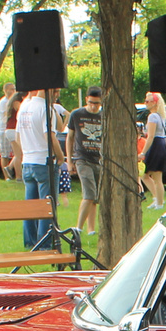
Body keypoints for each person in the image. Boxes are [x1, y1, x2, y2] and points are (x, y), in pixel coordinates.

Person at [18, 88, 55, 248]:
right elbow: (50, 136)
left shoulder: (24, 106)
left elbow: (18, 135)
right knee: (45, 206)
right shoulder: (45, 108)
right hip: (42, 159)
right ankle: (44, 243)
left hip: (27, 160)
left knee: (30, 206)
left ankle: (30, 241)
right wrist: (60, 156)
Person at [64, 86, 104, 236]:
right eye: (92, 102)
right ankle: (78, 228)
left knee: (95, 197)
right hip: (82, 158)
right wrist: (69, 161)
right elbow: (70, 138)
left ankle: (91, 229)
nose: (94, 106)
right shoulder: (77, 114)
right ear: (86, 99)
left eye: (97, 103)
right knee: (89, 194)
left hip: (99, 160)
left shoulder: (103, 115)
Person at [140, 92, 166, 210]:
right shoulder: (160, 116)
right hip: (161, 144)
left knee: (156, 177)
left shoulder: (152, 116)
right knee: (146, 175)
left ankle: (160, 203)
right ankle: (157, 199)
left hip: (156, 144)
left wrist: (143, 152)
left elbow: (150, 136)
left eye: (148, 101)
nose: (145, 103)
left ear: (154, 102)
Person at [0, 81, 18, 180]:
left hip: (12, 129)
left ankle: (15, 173)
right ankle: (6, 177)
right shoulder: (4, 102)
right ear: (5, 90)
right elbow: (7, 115)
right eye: (11, 89)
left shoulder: (13, 100)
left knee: (17, 153)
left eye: (14, 89)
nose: (13, 91)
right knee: (5, 154)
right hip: (4, 130)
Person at [2, 92, 23, 180]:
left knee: (19, 153)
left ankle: (10, 167)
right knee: (19, 155)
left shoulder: (12, 103)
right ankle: (18, 176)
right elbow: (21, 111)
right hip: (13, 130)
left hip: (11, 130)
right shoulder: (17, 103)